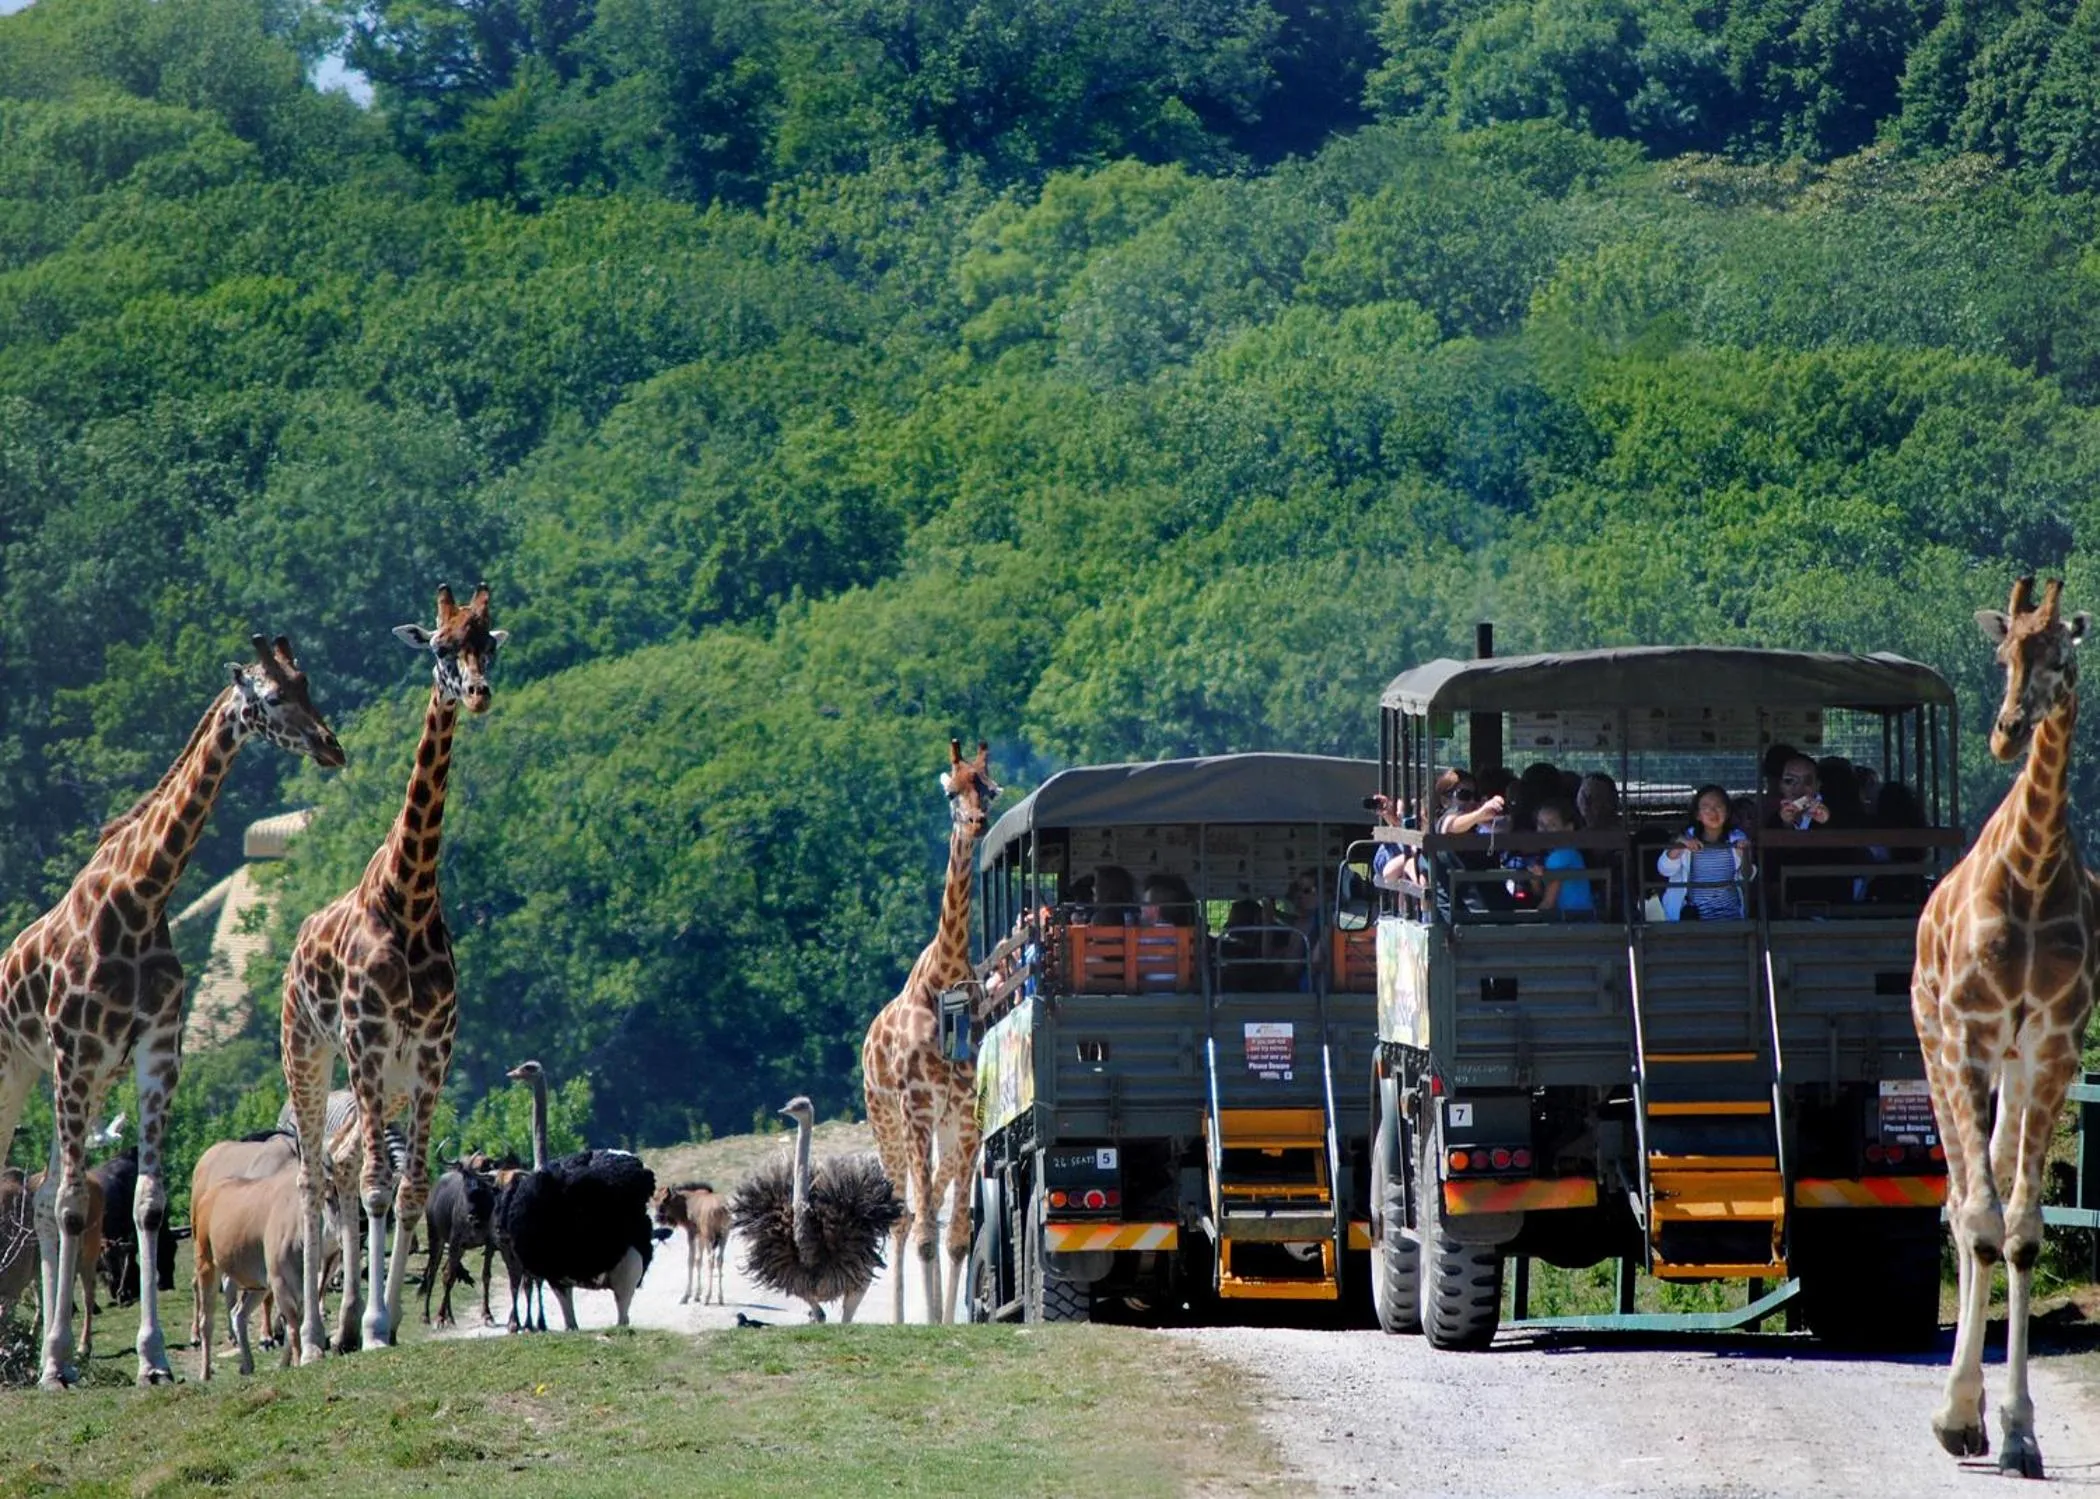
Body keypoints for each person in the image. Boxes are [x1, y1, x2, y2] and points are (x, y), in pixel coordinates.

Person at [1657, 784, 1751, 920]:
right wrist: (1679, 846)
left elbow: (1747, 876)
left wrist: (1745, 854)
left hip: (1731, 916)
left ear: (1728, 812)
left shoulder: (1738, 838)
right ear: (1697, 815)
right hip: (1694, 918)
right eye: (1706, 807)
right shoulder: (1686, 837)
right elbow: (1664, 870)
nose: (1713, 812)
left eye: (1719, 806)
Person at [1526, 798, 1595, 920]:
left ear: (1568, 828)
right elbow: (1544, 894)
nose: (1545, 831)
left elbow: (1548, 903)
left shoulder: (1561, 856)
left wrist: (1526, 926)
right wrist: (1535, 881)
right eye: (1541, 824)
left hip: (1574, 925)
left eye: (1552, 825)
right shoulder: (1560, 854)